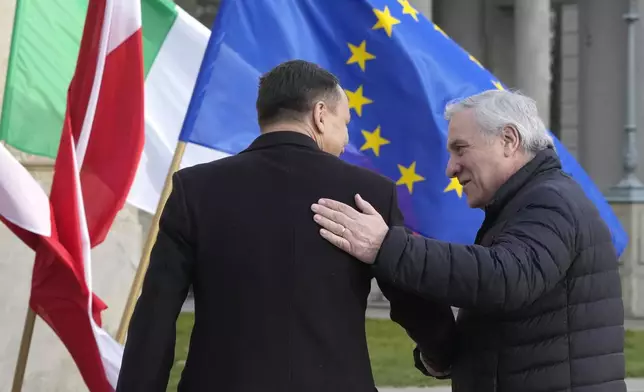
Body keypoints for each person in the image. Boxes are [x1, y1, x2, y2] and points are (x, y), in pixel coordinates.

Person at [116, 60, 454, 392]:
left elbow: (156, 316)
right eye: (345, 121)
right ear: (321, 115)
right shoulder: (370, 193)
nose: (345, 136)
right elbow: (410, 295)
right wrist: (442, 353)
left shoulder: (195, 189)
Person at [310, 89, 626, 392]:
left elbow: (505, 278)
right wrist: (445, 353)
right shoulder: (528, 202)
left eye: (461, 149)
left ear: (509, 140)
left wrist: (385, 246)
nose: (451, 168)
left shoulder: (550, 201)